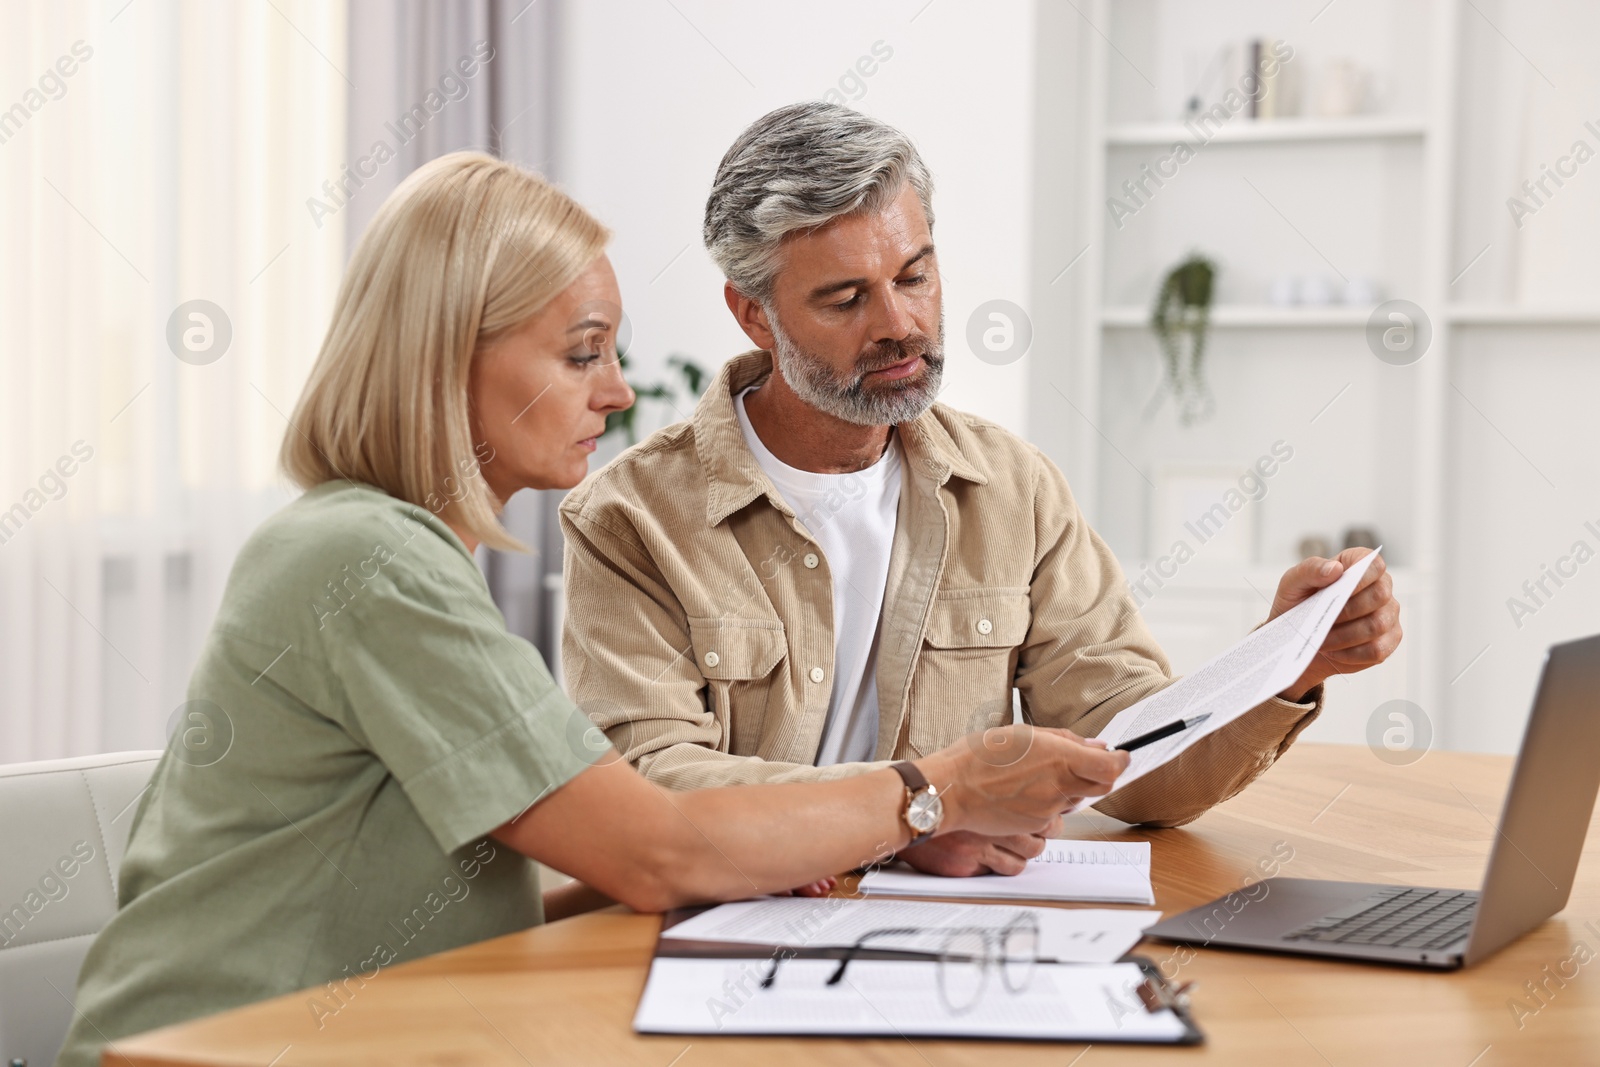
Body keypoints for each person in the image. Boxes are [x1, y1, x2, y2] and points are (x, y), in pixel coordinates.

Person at [54, 152, 1128, 1067]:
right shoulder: (367, 561)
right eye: (582, 353)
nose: (616, 391)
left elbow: (519, 878)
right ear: (443, 357)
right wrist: (937, 790)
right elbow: (653, 846)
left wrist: (830, 842)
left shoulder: (385, 553)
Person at [559, 102, 1404, 878]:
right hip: (727, 939)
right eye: (847, 297)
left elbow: (1129, 764)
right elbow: (650, 787)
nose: (899, 323)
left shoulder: (1012, 489)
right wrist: (925, 808)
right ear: (753, 315)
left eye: (915, 275)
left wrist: (1284, 665)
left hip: (958, 943)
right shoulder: (631, 520)